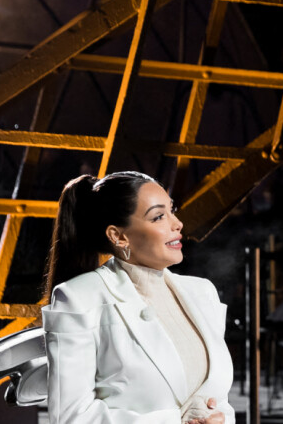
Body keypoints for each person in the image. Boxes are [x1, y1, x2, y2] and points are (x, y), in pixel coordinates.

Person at [42, 171, 235, 424]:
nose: (177, 224)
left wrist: (215, 417)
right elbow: (70, 418)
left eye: (171, 210)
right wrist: (176, 421)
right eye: (158, 216)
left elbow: (221, 402)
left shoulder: (202, 293)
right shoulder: (77, 298)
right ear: (118, 236)